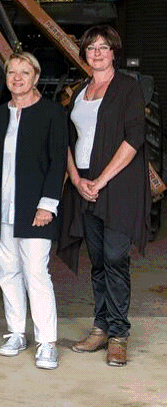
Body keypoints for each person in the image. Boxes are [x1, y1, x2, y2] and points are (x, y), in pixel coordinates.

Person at [59, 25, 150, 367]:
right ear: (84, 54)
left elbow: (134, 138)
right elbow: (68, 138)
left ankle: (119, 335)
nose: (97, 52)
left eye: (103, 47)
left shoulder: (128, 88)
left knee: (114, 257)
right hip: (85, 187)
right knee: (97, 260)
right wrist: (77, 179)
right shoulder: (81, 91)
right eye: (91, 48)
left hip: (118, 186)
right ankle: (100, 327)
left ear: (114, 52)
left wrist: (100, 180)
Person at [0, 52, 68, 370]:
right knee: (8, 273)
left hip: (35, 208)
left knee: (36, 273)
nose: (17, 78)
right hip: (1, 206)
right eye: (12, 72)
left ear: (36, 76)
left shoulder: (52, 113)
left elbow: (58, 162)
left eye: (25, 72)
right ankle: (16, 332)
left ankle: (47, 342)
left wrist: (48, 205)